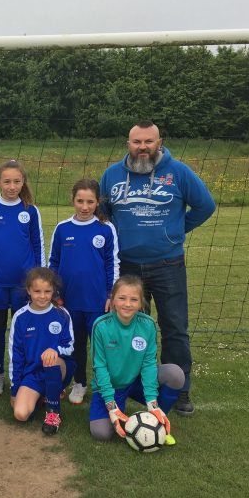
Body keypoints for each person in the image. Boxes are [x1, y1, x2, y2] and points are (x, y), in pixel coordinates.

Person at [100, 120, 215, 416]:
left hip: (168, 264)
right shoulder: (112, 175)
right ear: (128, 144)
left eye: (148, 142)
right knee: (128, 325)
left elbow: (205, 206)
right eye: (137, 142)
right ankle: (134, 383)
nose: (142, 147)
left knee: (174, 327)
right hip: (127, 266)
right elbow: (103, 212)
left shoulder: (179, 173)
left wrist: (175, 232)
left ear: (159, 142)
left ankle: (180, 390)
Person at [0, 159, 44, 396]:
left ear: (23, 182)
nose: (12, 186)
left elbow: (38, 245)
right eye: (7, 181)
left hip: (22, 286)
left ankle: (23, 372)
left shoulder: (30, 210)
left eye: (16, 181)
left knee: (24, 330)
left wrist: (37, 283)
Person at [49, 178, 119, 405]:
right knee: (76, 344)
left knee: (102, 346)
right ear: (73, 200)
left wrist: (111, 294)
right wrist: (54, 294)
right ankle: (79, 383)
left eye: (90, 201)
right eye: (80, 201)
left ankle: (103, 385)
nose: (85, 206)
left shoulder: (106, 229)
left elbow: (112, 264)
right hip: (69, 301)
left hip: (98, 301)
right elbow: (53, 263)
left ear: (97, 202)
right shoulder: (62, 229)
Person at [89, 275, 183, 443]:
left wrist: (152, 403)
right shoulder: (101, 325)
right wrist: (111, 405)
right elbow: (99, 367)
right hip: (111, 386)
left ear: (141, 303)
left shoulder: (147, 325)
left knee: (175, 374)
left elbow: (148, 364)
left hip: (135, 382)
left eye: (133, 299)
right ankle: (120, 406)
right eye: (122, 298)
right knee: (101, 433)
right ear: (113, 300)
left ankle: (155, 422)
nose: (127, 304)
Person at [9, 267, 75, 435]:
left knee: (51, 359)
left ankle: (53, 412)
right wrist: (15, 389)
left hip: (58, 368)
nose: (43, 296)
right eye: (37, 291)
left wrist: (55, 349)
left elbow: (69, 346)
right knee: (20, 414)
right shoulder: (20, 317)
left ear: (53, 291)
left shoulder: (62, 314)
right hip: (32, 374)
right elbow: (15, 355)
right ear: (29, 291)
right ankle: (43, 394)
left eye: (47, 291)